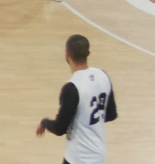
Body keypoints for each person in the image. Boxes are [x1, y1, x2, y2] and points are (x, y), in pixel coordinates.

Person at [37, 34, 117, 164]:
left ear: (67, 53)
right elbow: (111, 115)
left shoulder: (72, 87)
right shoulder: (103, 76)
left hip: (79, 158)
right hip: (99, 155)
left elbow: (59, 128)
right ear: (88, 53)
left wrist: (45, 122)